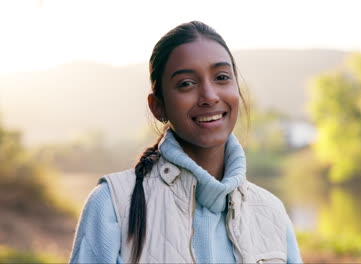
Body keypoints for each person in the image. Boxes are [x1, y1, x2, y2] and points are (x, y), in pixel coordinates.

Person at [69, 21, 302, 264]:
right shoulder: (112, 205)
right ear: (158, 107)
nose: (210, 96)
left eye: (222, 77)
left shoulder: (271, 212)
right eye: (186, 84)